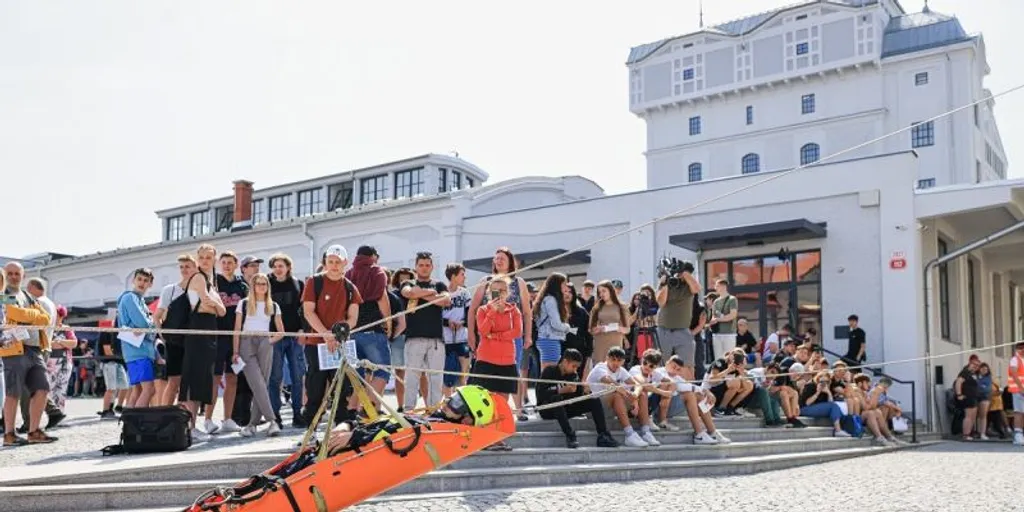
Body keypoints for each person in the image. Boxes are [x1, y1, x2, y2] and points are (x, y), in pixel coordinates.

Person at [326, 385, 498, 456]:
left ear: (467, 420)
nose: (447, 401)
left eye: (456, 403)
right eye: (453, 397)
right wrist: (350, 424)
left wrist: (354, 436)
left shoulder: (438, 429)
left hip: (356, 446)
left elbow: (397, 431)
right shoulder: (436, 418)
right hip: (354, 435)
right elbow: (391, 422)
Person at [468, 275, 523, 451]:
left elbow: (517, 332)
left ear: (508, 292)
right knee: (486, 401)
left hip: (507, 360)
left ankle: (497, 438)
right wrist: (493, 312)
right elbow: (483, 331)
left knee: (501, 402)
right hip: (486, 359)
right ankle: (485, 438)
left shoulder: (514, 310)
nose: (499, 294)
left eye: (502, 291)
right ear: (488, 293)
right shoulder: (482, 310)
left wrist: (496, 336)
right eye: (495, 291)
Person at [234, 273, 286, 438]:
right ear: (253, 286)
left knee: (262, 383)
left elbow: (281, 331)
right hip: (246, 342)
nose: (262, 286)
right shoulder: (243, 304)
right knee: (257, 382)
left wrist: (269, 341)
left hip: (265, 342)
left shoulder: (274, 305)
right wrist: (235, 351)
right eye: (258, 283)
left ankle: (252, 425)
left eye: (264, 284)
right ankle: (272, 420)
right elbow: (236, 329)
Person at [536, 348, 618, 449]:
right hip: (547, 409)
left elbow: (579, 396)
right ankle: (570, 435)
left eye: (577, 367)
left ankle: (603, 434)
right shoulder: (549, 371)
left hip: (565, 408)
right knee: (557, 399)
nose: (575, 370)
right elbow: (540, 395)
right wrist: (560, 391)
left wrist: (585, 390)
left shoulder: (573, 375)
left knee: (593, 399)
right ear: (565, 362)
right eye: (573, 366)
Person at [116, 268, 159, 409]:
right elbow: (143, 324)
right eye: (139, 279)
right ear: (133, 280)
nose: (142, 283)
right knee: (149, 389)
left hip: (133, 351)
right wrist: (153, 323)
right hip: (139, 351)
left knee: (138, 390)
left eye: (146, 280)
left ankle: (129, 420)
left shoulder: (138, 300)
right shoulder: (131, 298)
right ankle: (139, 419)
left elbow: (143, 326)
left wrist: (149, 325)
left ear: (150, 284)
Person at [655, 261, 701, 379]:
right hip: (664, 330)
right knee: (660, 364)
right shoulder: (666, 282)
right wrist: (665, 284)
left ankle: (689, 388)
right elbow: (661, 302)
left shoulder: (688, 285)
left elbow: (697, 289)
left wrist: (683, 273)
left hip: (683, 330)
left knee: (688, 365)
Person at [532, 273, 575, 371]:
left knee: (546, 371)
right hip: (550, 339)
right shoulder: (551, 300)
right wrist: (567, 327)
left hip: (545, 338)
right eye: (564, 284)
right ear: (557, 285)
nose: (566, 287)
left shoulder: (545, 298)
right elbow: (556, 324)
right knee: (549, 372)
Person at [953, 358, 980, 441]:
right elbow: (958, 382)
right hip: (967, 397)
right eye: (974, 364)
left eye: (977, 365)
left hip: (974, 397)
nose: (975, 366)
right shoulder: (965, 372)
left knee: (973, 417)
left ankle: (969, 433)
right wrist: (959, 394)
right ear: (970, 363)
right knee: (968, 416)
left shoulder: (974, 374)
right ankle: (965, 434)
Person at [1007, 341, 1024, 446]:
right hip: (1018, 390)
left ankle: (1020, 433)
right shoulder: (1015, 359)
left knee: (1022, 412)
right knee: (1019, 412)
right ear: (1016, 349)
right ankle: (1018, 434)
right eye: (1020, 348)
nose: (1022, 349)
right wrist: (1021, 388)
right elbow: (1014, 373)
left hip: (1021, 390)